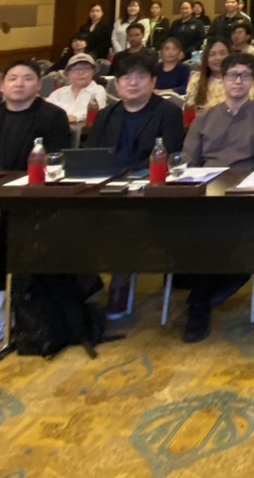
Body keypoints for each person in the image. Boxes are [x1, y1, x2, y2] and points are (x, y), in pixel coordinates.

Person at [179, 52, 254, 342]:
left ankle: (199, 302)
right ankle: (213, 285)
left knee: (215, 230)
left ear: (253, 82)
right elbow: (188, 161)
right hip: (206, 194)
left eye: (245, 76)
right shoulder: (205, 118)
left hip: (245, 197)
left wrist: (240, 189)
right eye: (232, 75)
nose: (238, 81)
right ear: (222, 80)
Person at [92, 56, 187, 318]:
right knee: (67, 215)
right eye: (126, 77)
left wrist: (130, 175)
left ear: (154, 81)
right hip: (107, 186)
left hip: (149, 188)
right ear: (117, 84)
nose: (132, 83)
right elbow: (92, 156)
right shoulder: (105, 115)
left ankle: (120, 284)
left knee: (124, 218)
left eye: (141, 77)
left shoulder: (168, 113)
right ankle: (84, 280)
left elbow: (170, 155)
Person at [0, 60, 73, 170]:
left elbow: (55, 162)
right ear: (2, 86)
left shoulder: (53, 115)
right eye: (12, 79)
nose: (19, 84)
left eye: (27, 79)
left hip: (30, 180)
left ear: (39, 85)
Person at [46, 53, 108, 124]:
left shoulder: (98, 90)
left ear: (93, 72)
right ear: (68, 73)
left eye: (86, 68)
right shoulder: (59, 92)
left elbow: (94, 114)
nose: (81, 72)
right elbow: (46, 109)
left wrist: (76, 118)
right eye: (75, 69)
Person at [185, 39, 230, 114]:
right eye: (212, 54)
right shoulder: (197, 79)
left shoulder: (240, 80)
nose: (218, 58)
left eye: (223, 53)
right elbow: (189, 111)